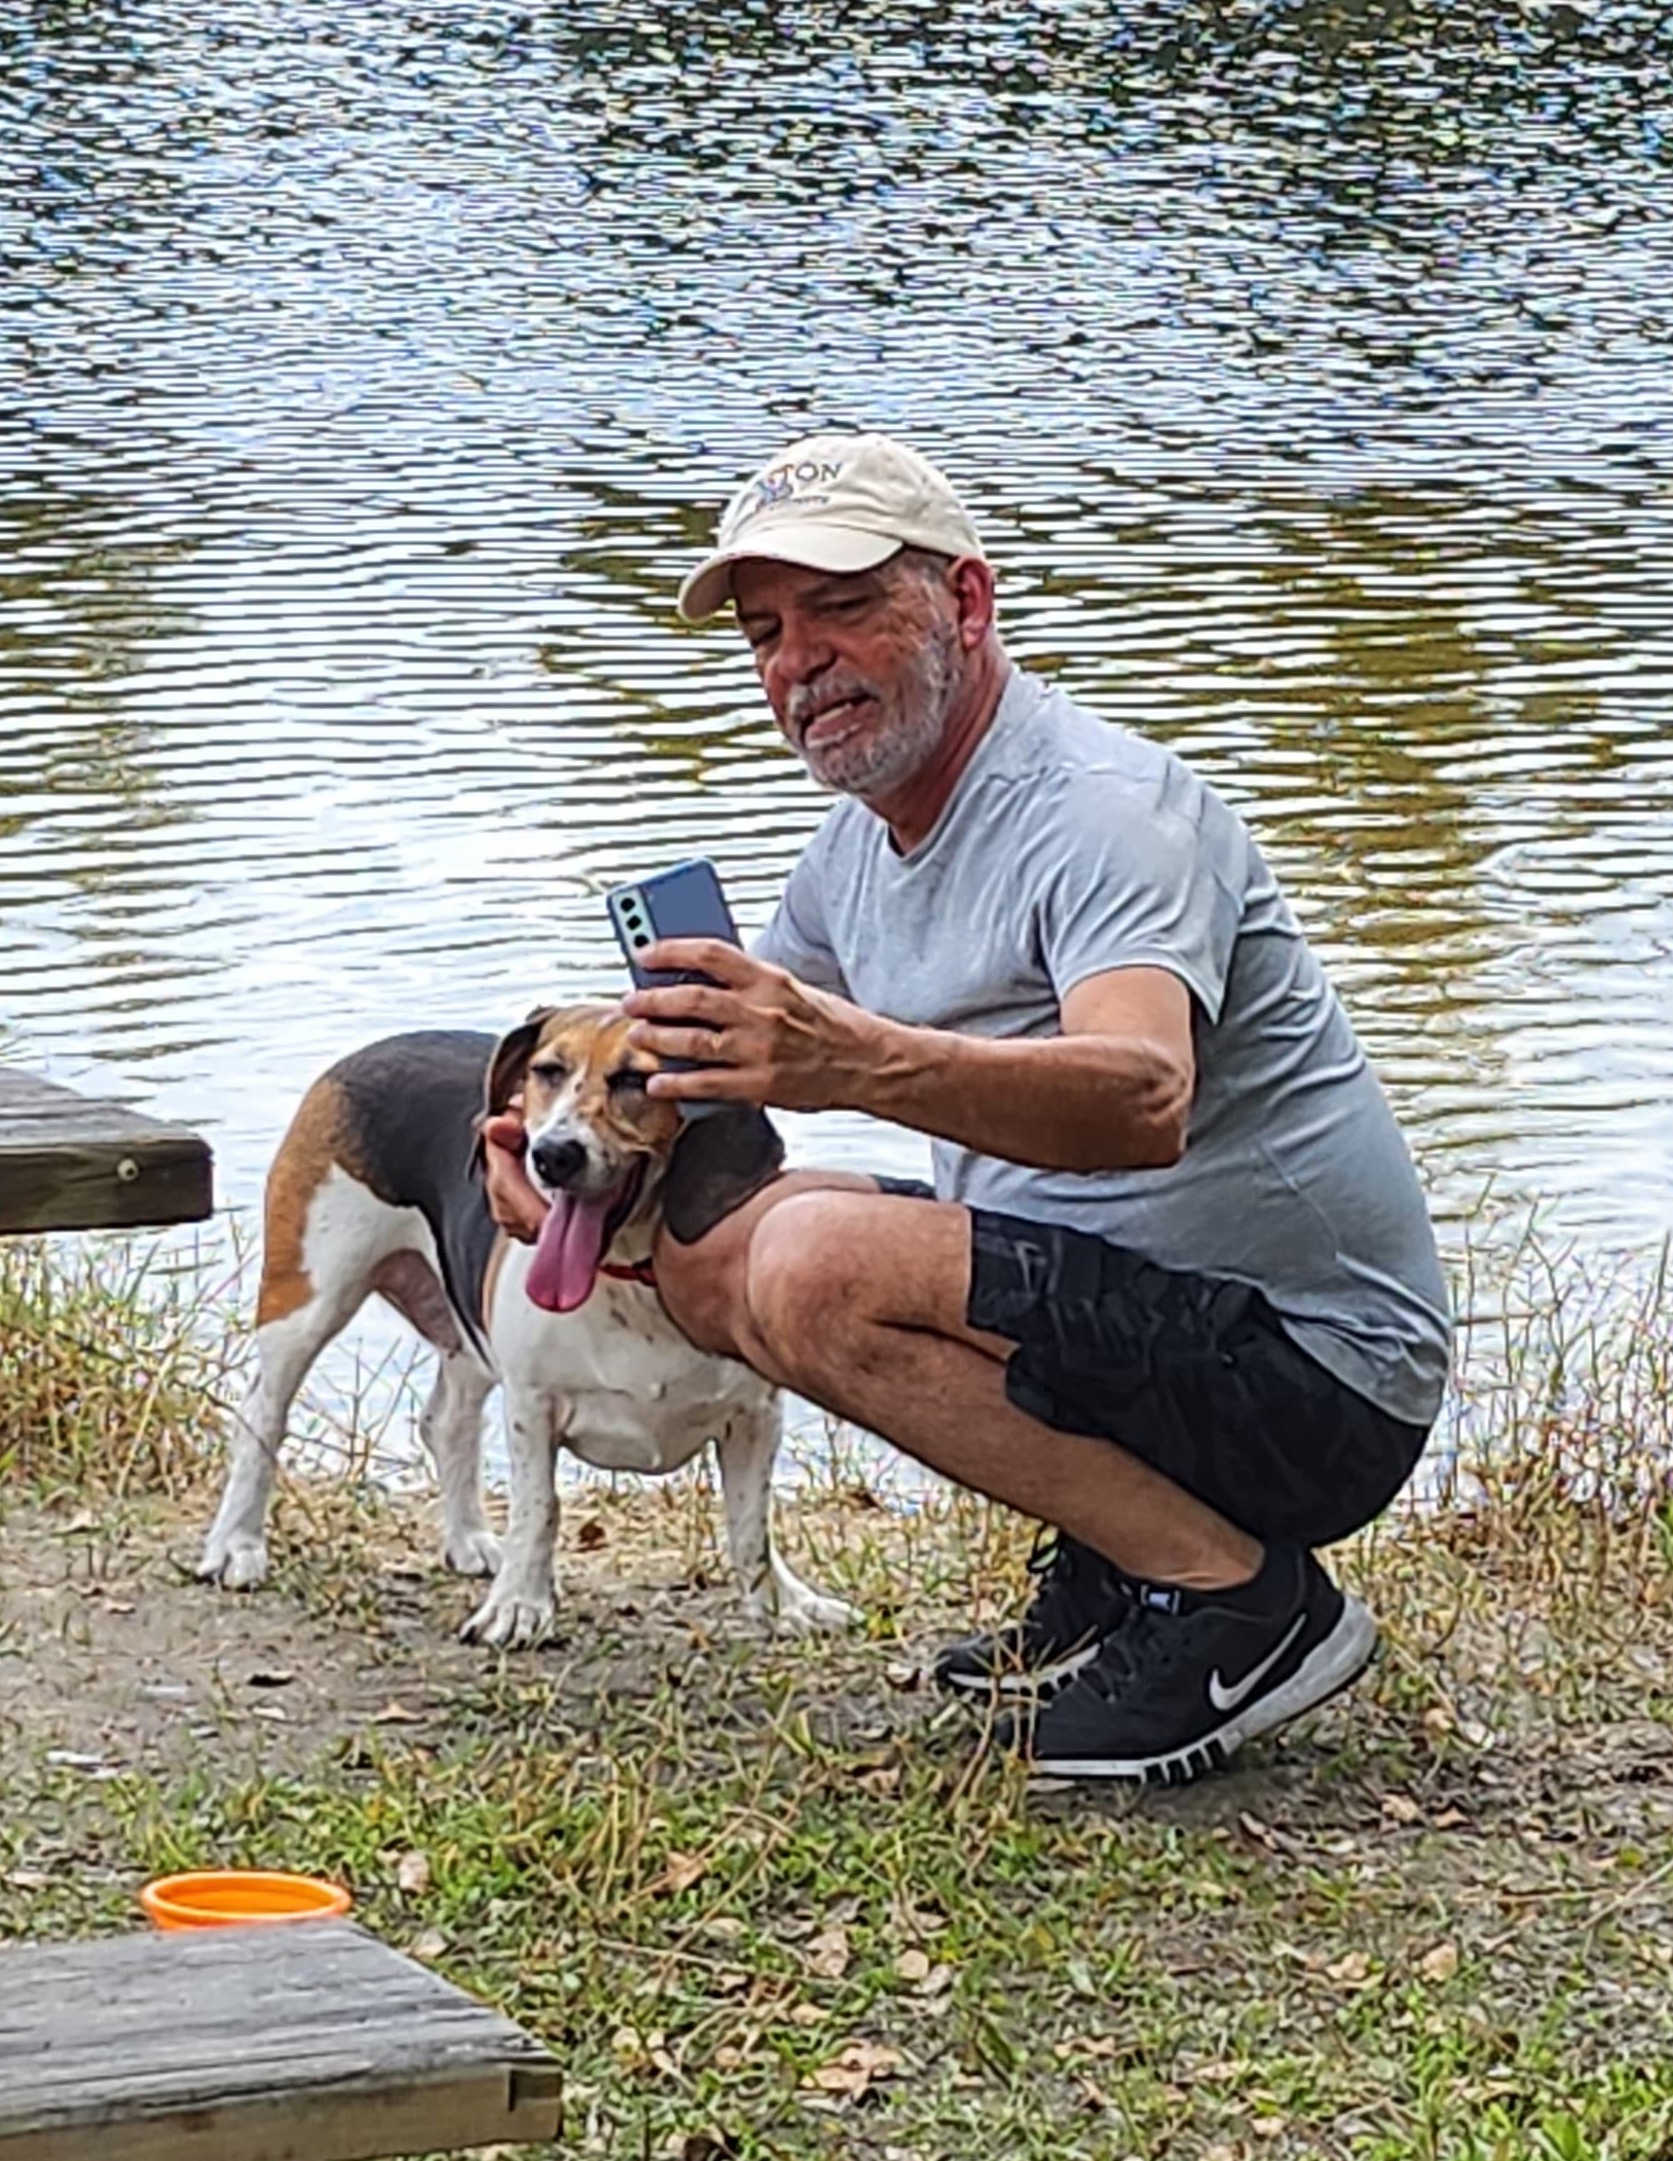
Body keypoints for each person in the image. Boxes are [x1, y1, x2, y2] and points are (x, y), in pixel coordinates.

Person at [495, 431, 1451, 1788]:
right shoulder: (857, 848)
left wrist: (851, 1062)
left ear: (967, 604)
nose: (797, 664)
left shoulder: (1101, 811)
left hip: (1314, 1380)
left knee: (816, 1263)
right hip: (1141, 1329)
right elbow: (714, 1090)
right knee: (720, 1258)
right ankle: (1129, 1564)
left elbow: (1144, 1097)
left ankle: (1239, 1605)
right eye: (766, 632)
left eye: (841, 608)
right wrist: (571, 1169)